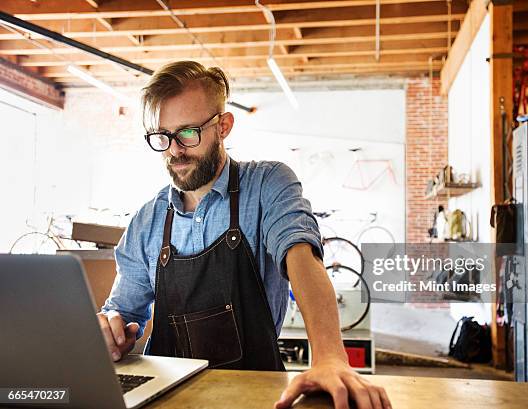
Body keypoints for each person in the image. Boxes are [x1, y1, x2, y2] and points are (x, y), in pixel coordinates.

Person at [97, 61, 391, 409]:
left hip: (258, 395)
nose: (175, 150)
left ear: (223, 126)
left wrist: (330, 357)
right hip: (165, 398)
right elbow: (122, 311)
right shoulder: (147, 220)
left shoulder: (268, 184)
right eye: (163, 137)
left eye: (188, 133)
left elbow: (301, 256)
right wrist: (109, 331)